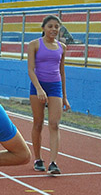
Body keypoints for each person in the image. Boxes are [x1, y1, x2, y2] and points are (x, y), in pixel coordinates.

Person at [27, 15, 70, 175]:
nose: (54, 29)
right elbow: (30, 69)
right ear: (43, 28)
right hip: (38, 86)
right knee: (38, 123)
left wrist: (64, 97)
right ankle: (38, 159)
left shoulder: (62, 47)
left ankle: (53, 162)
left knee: (54, 124)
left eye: (56, 27)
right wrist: (39, 89)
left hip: (55, 87)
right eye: (50, 26)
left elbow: (62, 72)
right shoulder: (34, 44)